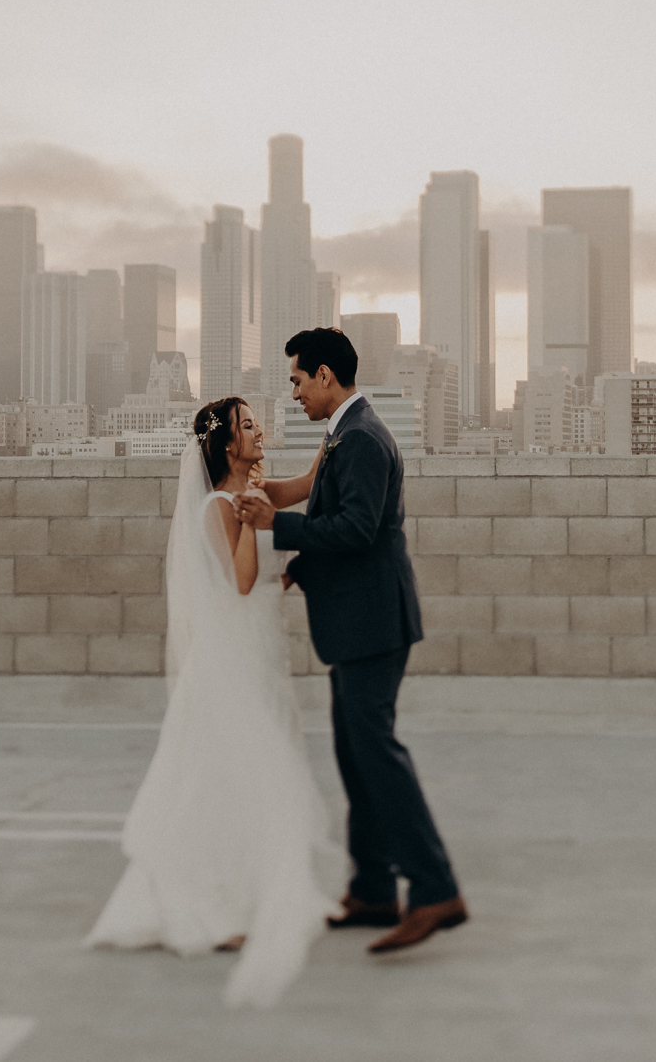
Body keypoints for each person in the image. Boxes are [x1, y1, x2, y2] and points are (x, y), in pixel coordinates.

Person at [86, 396, 347, 1007]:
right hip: (229, 660)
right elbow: (240, 579)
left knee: (253, 769)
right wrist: (257, 522)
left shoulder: (250, 496)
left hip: (255, 649)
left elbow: (307, 488)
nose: (259, 432)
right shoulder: (218, 505)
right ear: (228, 444)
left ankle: (251, 891)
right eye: (248, 426)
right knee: (231, 770)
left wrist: (331, 438)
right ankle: (211, 903)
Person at [241, 326, 468, 953]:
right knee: (355, 754)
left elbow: (357, 530)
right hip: (358, 621)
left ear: (323, 376)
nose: (291, 395)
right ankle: (372, 889)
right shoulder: (345, 431)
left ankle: (435, 888)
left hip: (373, 624)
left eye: (294, 380)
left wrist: (278, 529)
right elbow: (319, 500)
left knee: (378, 756)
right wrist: (268, 508)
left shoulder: (362, 437)